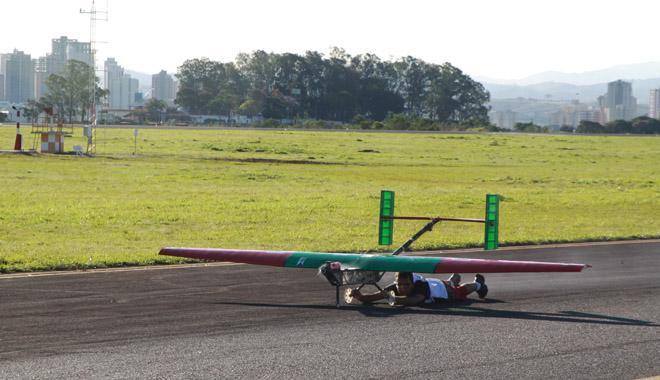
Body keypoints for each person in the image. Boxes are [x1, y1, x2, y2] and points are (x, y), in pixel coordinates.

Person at [348, 272, 488, 307]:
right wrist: (360, 296)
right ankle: (454, 277)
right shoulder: (395, 287)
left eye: (406, 285)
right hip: (436, 283)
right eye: (399, 285)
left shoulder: (420, 288)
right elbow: (374, 297)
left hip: (444, 292)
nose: (402, 288)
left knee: (460, 290)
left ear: (413, 284)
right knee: (450, 282)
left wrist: (392, 298)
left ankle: (479, 285)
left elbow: (414, 300)